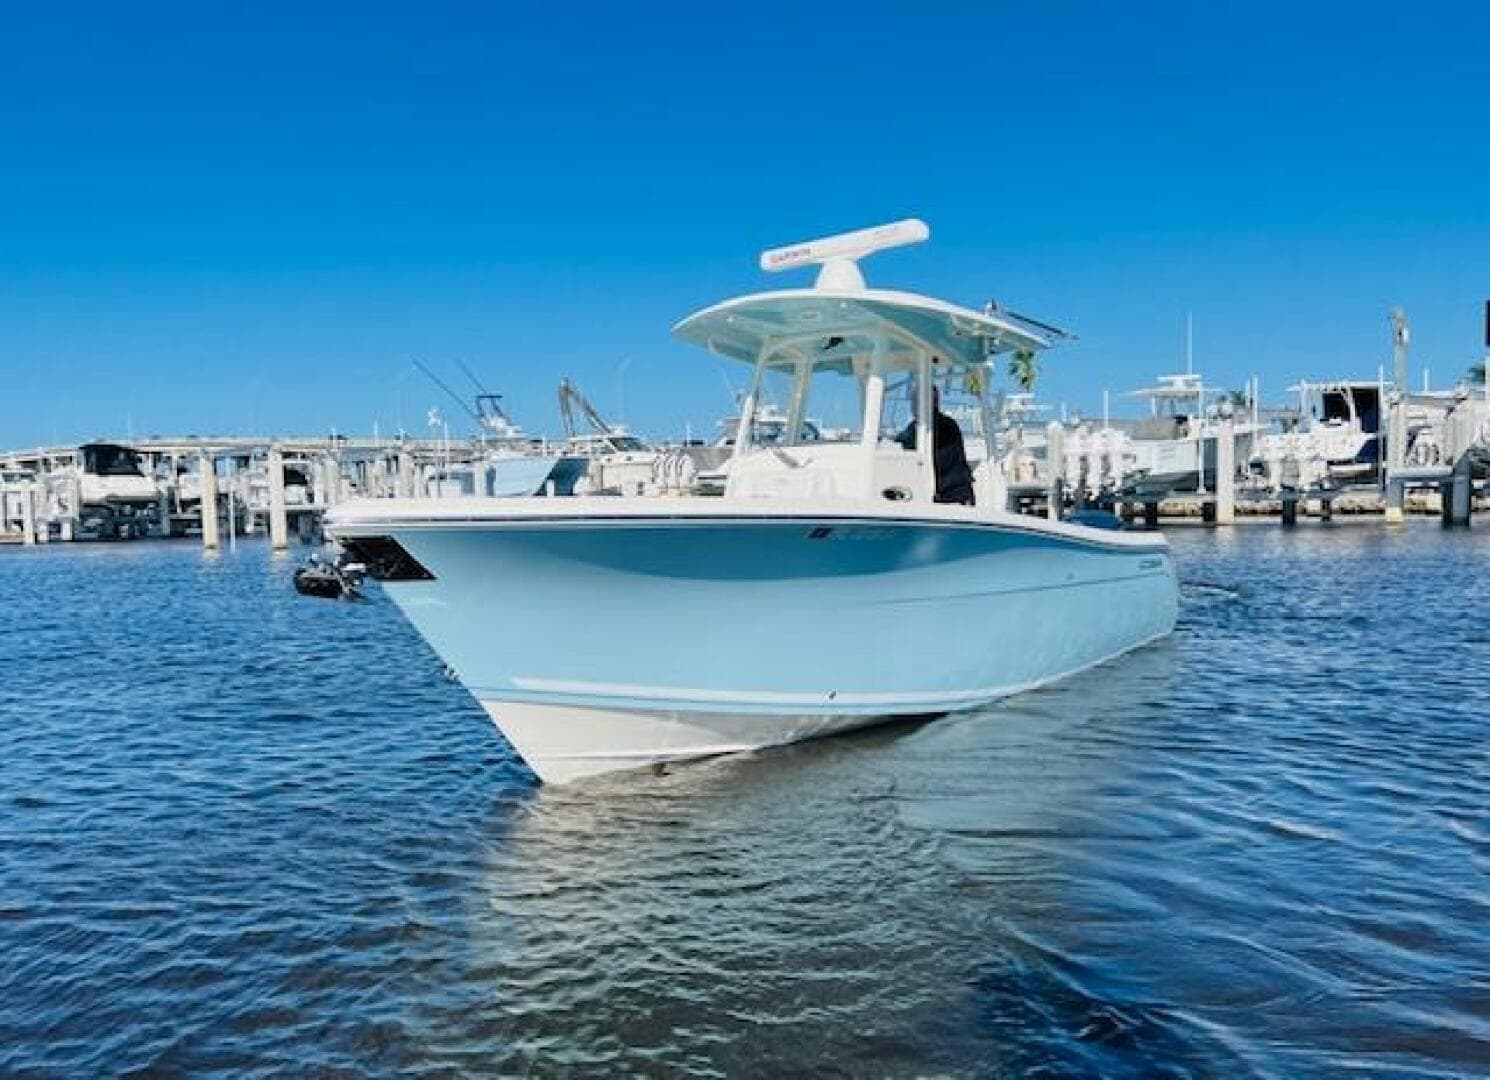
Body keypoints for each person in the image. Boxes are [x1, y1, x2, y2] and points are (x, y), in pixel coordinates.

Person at [895, 384, 975, 505]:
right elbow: (902, 442)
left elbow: (939, 459)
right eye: (913, 400)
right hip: (941, 492)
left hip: (953, 494)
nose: (913, 404)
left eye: (916, 400)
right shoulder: (915, 427)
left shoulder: (944, 425)